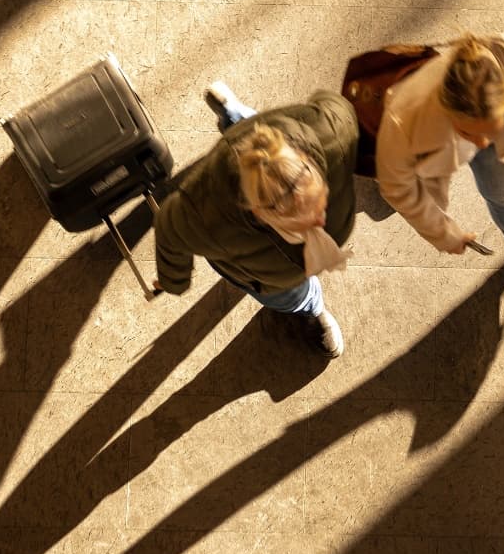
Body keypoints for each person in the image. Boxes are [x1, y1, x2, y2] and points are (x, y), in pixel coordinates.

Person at [151, 82, 357, 359]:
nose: (319, 222)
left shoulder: (332, 134)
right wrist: (172, 280)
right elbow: (168, 227)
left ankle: (232, 114)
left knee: (261, 145)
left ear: (309, 161)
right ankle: (310, 307)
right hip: (267, 279)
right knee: (291, 297)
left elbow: (337, 106)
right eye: (297, 222)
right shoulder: (205, 214)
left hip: (279, 139)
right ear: (258, 211)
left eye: (319, 201)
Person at [375, 32, 504, 306]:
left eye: (489, 130)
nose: (482, 143)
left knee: (502, 190)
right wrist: (444, 234)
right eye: (470, 132)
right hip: (421, 140)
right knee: (405, 175)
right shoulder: (402, 123)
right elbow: (397, 189)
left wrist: (490, 132)